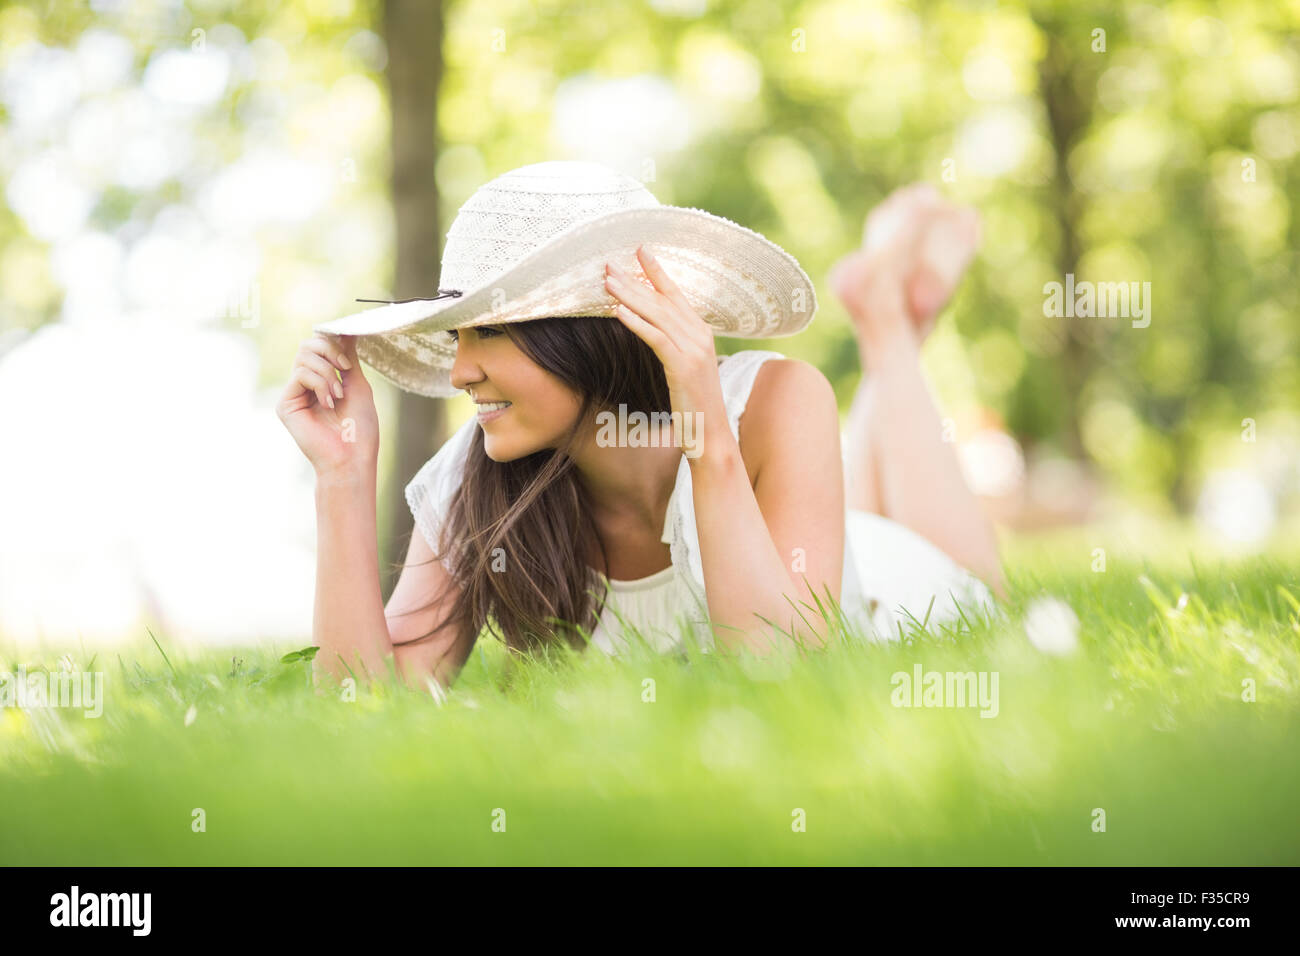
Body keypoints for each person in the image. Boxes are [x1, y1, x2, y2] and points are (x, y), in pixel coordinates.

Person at [276, 161, 1005, 694]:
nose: (460, 371)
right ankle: (889, 306)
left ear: (591, 331)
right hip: (827, 534)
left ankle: (885, 322)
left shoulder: (777, 401)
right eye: (456, 335)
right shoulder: (480, 472)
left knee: (978, 588)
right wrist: (341, 475)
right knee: (867, 499)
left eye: (488, 333)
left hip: (890, 588)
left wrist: (706, 435)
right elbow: (366, 703)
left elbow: (782, 672)